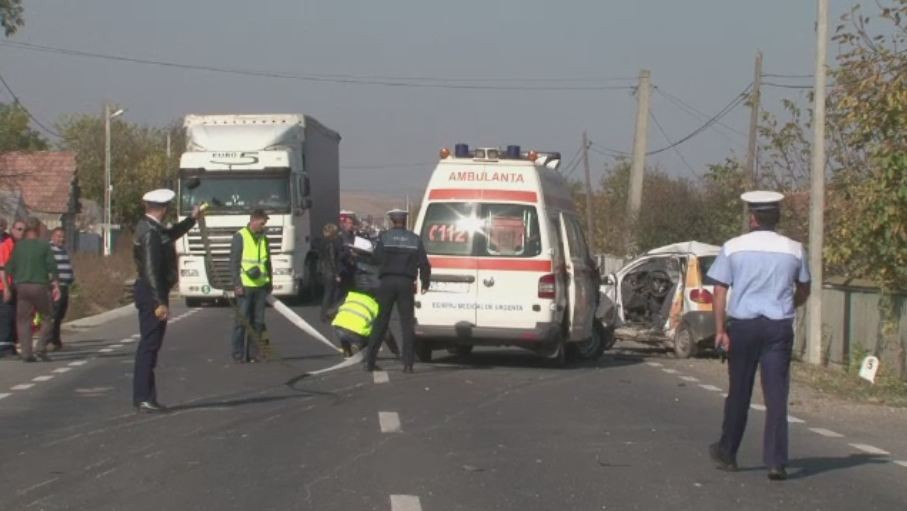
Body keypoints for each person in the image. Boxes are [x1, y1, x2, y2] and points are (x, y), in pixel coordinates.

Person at [706, 191, 811, 482]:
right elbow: (804, 288)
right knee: (776, 394)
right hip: (778, 327)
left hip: (744, 326)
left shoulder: (733, 247)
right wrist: (791, 304)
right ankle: (776, 461)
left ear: (752, 218)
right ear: (776, 218)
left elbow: (719, 290)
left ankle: (728, 452)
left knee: (739, 389)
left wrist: (719, 330)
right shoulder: (794, 249)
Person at [132, 188, 202, 413]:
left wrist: (192, 219)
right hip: (152, 292)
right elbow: (151, 269)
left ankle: (145, 395)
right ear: (163, 209)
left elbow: (171, 235)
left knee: (151, 344)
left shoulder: (151, 227)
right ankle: (143, 396)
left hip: (151, 290)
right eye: (167, 208)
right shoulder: (150, 232)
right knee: (149, 345)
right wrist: (160, 301)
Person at [364, 209, 430, 373]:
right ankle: (408, 363)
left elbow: (376, 259)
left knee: (381, 321)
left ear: (392, 220)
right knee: (406, 324)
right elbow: (424, 264)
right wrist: (425, 283)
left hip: (387, 282)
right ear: (405, 221)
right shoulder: (414, 239)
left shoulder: (384, 238)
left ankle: (370, 361)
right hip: (406, 283)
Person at [331, 236, 399, 357]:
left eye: (353, 250)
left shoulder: (357, 265)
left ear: (359, 252)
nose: (350, 252)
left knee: (347, 318)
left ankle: (349, 349)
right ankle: (363, 346)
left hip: (355, 301)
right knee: (380, 327)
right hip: (369, 298)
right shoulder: (371, 266)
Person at [5, 217, 60, 362]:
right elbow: (52, 267)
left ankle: (26, 353)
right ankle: (40, 347)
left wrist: (8, 287)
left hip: (21, 286)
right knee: (48, 317)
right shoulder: (43, 246)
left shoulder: (19, 246)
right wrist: (56, 285)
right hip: (40, 286)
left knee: (23, 320)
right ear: (38, 229)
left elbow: (8, 268)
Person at [230, 208, 272, 363]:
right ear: (254, 220)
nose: (264, 225)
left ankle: (255, 353)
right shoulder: (240, 236)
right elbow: (234, 262)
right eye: (262, 222)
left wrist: (270, 282)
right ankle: (238, 353)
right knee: (242, 321)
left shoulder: (263, 238)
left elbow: (267, 262)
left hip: (260, 286)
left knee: (258, 322)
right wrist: (237, 284)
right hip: (246, 286)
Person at [44, 227, 74, 351]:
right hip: (55, 287)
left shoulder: (63, 250)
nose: (61, 239)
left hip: (65, 286)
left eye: (63, 236)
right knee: (54, 314)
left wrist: (71, 277)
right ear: (52, 237)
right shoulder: (49, 250)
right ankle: (50, 340)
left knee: (61, 314)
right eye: (58, 236)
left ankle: (56, 339)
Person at [0, 219, 25, 357]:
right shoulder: (7, 244)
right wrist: (6, 288)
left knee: (12, 316)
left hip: (14, 285)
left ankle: (10, 345)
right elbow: (2, 267)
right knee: (6, 316)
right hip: (4, 286)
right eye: (19, 229)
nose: (22, 232)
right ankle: (4, 348)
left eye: (24, 230)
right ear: (12, 230)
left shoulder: (17, 245)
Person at [319, 223, 343, 322]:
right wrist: (336, 274)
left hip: (324, 271)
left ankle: (324, 314)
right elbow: (332, 259)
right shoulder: (332, 243)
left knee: (327, 293)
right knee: (333, 294)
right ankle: (329, 314)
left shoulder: (322, 242)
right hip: (331, 272)